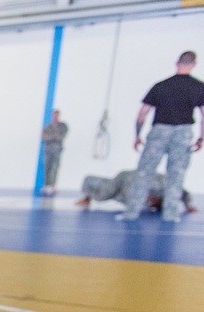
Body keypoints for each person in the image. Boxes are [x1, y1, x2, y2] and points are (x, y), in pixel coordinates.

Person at [119, 51, 204, 224]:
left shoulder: (161, 85)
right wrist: (201, 138)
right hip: (183, 133)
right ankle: (171, 214)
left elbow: (142, 114)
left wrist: (137, 136)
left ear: (176, 63)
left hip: (159, 132)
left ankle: (132, 212)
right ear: (194, 64)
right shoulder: (199, 86)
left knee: (144, 173)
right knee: (176, 174)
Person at [75, 169, 196, 213]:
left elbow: (186, 194)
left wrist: (188, 205)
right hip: (126, 178)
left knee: (114, 195)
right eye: (156, 204)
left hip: (130, 185)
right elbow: (131, 203)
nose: (154, 206)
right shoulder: (163, 185)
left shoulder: (172, 190)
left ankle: (88, 193)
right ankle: (87, 197)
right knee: (103, 195)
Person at [40, 109, 68, 196]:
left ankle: (53, 185)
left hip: (57, 150)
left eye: (57, 115)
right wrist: (52, 137)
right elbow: (44, 136)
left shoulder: (62, 126)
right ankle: (46, 185)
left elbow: (61, 136)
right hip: (48, 150)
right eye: (54, 115)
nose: (55, 117)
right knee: (46, 167)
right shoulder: (48, 126)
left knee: (55, 167)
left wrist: (52, 137)